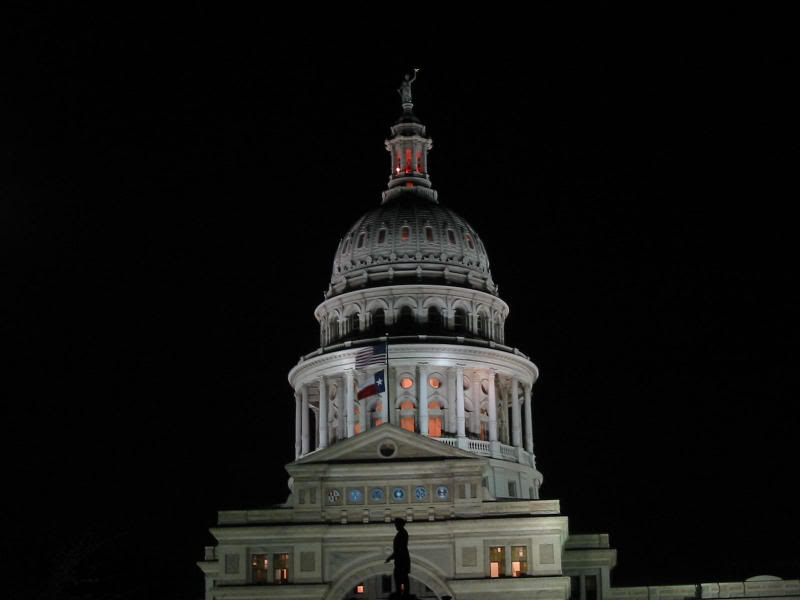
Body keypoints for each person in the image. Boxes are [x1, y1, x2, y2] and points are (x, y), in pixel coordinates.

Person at [385, 517, 410, 597]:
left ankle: (402, 592)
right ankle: (401, 591)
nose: (395, 525)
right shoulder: (401, 533)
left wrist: (391, 557)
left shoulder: (402, 533)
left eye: (396, 524)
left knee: (401, 575)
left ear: (400, 524)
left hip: (402, 559)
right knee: (400, 575)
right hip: (400, 558)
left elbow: (400, 548)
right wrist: (392, 557)